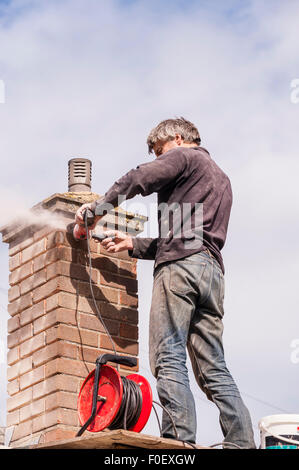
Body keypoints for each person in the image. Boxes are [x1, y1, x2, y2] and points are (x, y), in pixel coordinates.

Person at [75, 117, 256, 448]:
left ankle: (178, 443)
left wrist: (98, 210)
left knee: (167, 355)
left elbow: (139, 178)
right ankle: (242, 442)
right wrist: (133, 244)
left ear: (177, 138)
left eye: (160, 151)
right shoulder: (222, 179)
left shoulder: (185, 156)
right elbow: (187, 235)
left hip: (180, 271)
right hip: (210, 272)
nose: (160, 159)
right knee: (212, 367)